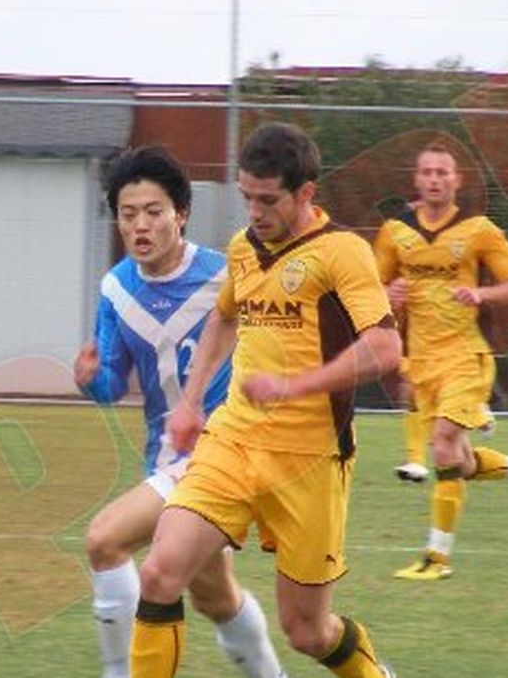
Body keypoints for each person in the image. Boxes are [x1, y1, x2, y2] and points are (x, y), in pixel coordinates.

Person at [129, 122, 402, 678]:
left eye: (268, 199)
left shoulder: (341, 252)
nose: (254, 211)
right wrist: (189, 403)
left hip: (309, 460)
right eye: (246, 196)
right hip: (232, 440)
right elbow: (225, 317)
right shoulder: (243, 249)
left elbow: (385, 347)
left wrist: (295, 386)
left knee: (307, 631)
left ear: (305, 193)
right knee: (159, 572)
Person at [76, 145, 287, 678]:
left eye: (153, 212)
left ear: (181, 214)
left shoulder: (226, 276)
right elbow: (111, 386)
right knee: (215, 597)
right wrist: (89, 380)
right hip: (166, 457)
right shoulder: (116, 289)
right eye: (128, 215)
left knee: (105, 540)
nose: (140, 225)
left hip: (224, 454)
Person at [371, 142, 508, 581]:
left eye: (442, 172)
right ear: (416, 180)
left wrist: (481, 293)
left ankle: (437, 558)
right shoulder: (395, 232)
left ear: (457, 181)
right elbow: (372, 292)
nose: (434, 179)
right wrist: (388, 295)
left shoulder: (478, 231)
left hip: (466, 358)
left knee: (443, 441)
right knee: (459, 461)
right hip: (421, 362)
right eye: (427, 171)